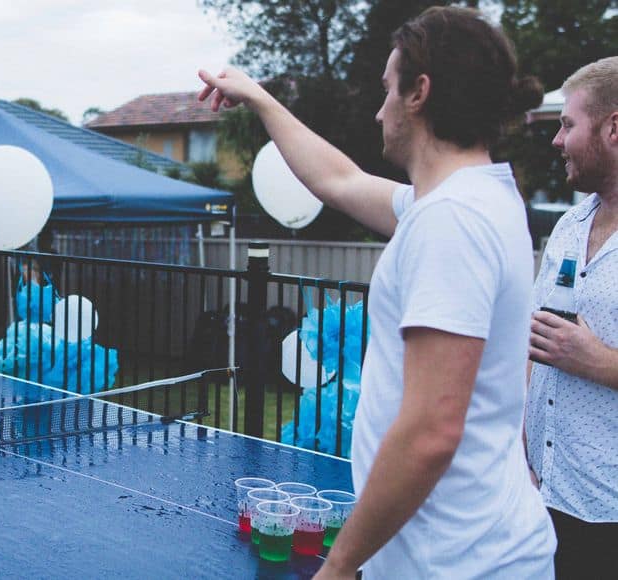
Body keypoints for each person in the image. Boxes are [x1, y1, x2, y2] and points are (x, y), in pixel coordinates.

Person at [199, 6, 554, 578]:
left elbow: (432, 429)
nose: (378, 109)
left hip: (459, 563)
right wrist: (261, 99)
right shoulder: (464, 201)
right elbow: (339, 180)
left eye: (388, 89)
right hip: (459, 553)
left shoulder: (452, 221)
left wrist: (340, 565)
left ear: (420, 93)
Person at [525, 56, 618, 579]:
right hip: (544, 496)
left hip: (609, 517)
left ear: (612, 127)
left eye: (567, 123)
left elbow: (575, 353)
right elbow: (537, 340)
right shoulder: (567, 226)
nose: (557, 140)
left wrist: (598, 361)